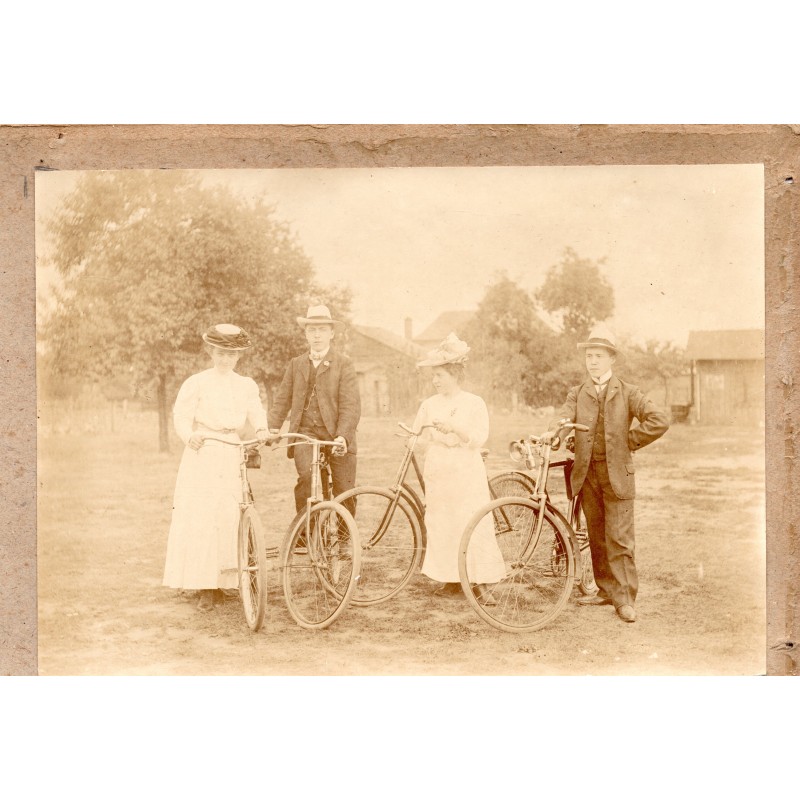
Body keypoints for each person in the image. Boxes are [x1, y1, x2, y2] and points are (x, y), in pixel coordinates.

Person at [547, 324, 669, 623]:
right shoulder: (578, 392)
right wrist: (556, 434)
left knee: (620, 539)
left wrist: (630, 441)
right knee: (597, 535)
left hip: (618, 476)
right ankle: (604, 591)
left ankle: (624, 599)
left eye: (599, 356)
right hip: (587, 475)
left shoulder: (628, 392)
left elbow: (659, 419)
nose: (593, 361)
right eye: (589, 355)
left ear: (611, 359)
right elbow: (563, 419)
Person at [163, 324, 269, 612]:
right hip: (204, 448)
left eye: (232, 354)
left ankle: (226, 581)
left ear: (239, 356)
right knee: (202, 516)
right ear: (211, 352)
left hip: (232, 450)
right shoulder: (196, 382)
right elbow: (181, 416)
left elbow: (256, 411)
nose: (226, 359)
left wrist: (261, 429)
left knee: (229, 514)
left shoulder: (246, 384)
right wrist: (190, 435)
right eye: (221, 353)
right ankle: (203, 586)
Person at [413, 333, 506, 600]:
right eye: (433, 376)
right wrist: (413, 436)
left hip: (465, 466)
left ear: (454, 374)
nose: (435, 380)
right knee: (442, 521)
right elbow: (417, 435)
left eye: (440, 375)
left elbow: (479, 437)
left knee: (472, 519)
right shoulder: (429, 404)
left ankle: (481, 581)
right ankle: (450, 577)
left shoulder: (474, 402)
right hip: (439, 467)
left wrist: (455, 428)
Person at [267, 304, 361, 515]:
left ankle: (346, 540)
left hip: (336, 434)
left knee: (344, 488)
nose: (317, 335)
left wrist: (343, 437)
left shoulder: (344, 364)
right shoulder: (296, 364)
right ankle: (303, 537)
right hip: (305, 432)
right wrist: (272, 427)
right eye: (312, 330)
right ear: (306, 334)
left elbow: (351, 405)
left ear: (332, 333)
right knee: (307, 480)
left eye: (322, 330)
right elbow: (282, 399)